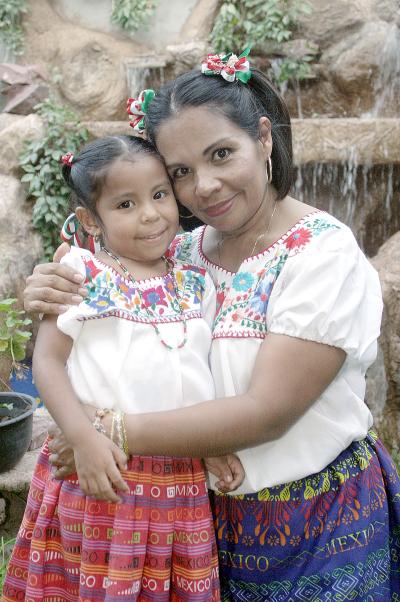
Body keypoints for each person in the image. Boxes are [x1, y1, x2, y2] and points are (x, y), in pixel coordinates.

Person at [19, 48, 400, 600]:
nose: (205, 187)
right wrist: (52, 287)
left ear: (264, 138)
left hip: (317, 524)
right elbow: (134, 341)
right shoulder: (183, 254)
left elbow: (265, 414)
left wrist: (101, 433)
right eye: (180, 172)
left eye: (222, 153)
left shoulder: (322, 255)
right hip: (194, 519)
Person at [4, 134, 249, 602]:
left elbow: (197, 370)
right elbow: (48, 362)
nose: (151, 214)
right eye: (125, 204)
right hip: (102, 473)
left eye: (159, 195)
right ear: (90, 221)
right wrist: (83, 438)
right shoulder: (84, 273)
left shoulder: (193, 282)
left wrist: (210, 445)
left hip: (179, 478)